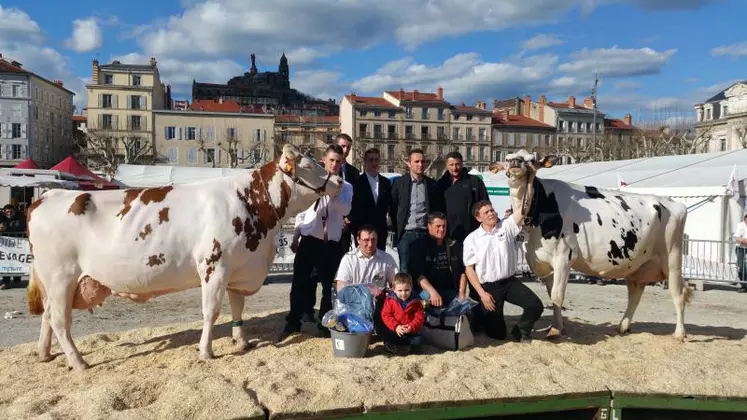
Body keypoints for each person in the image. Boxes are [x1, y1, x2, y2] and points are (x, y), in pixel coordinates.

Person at [278, 144, 352, 342]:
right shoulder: (309, 183)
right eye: (331, 160)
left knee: (329, 286)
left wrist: (332, 192)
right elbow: (301, 212)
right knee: (299, 283)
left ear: (342, 162)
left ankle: (325, 323)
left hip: (331, 243)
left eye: (338, 161)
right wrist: (295, 235)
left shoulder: (346, 187)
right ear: (324, 161)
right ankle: (294, 320)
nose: (334, 164)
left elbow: (344, 210)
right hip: (309, 240)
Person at [463, 200, 544, 342]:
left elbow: (522, 211)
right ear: (478, 218)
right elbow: (469, 269)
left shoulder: (506, 226)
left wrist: (528, 184)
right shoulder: (471, 239)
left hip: (510, 282)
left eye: (492, 210)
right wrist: (482, 294)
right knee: (497, 334)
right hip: (489, 289)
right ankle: (481, 318)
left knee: (536, 306)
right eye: (486, 212)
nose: (491, 213)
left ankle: (520, 331)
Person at [390, 149, 446, 274]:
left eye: (423, 161)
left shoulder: (431, 185)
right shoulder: (399, 183)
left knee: (425, 269)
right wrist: (398, 228)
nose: (420, 165)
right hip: (406, 233)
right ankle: (406, 294)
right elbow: (393, 208)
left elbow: (437, 209)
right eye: (417, 162)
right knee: (405, 269)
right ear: (409, 163)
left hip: (425, 233)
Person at [408, 212, 467, 307]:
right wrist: (432, 292)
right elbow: (417, 275)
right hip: (426, 291)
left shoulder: (453, 245)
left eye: (444, 226)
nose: (442, 229)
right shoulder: (418, 246)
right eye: (438, 226)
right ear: (429, 226)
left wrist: (462, 294)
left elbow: (462, 272)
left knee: (466, 308)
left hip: (450, 291)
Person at [437, 151, 489, 243]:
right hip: (449, 235)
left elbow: (485, 205)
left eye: (457, 164)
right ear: (446, 165)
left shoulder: (475, 182)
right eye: (451, 165)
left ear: (462, 164)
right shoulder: (441, 184)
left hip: (473, 234)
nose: (454, 168)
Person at [350, 148, 391, 251]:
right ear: (365, 161)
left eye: (376, 160)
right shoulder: (357, 182)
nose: (374, 163)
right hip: (363, 233)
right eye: (371, 160)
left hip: (380, 233)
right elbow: (353, 209)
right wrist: (356, 232)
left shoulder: (385, 182)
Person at [334, 225, 398, 291]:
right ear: (358, 240)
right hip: (354, 299)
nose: (370, 244)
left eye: (373, 240)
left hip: (379, 299)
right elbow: (341, 287)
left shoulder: (386, 258)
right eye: (366, 240)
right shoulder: (349, 259)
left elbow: (397, 283)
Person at [379, 272, 425, 354]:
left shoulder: (416, 301)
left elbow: (419, 317)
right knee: (389, 338)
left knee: (418, 341)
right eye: (400, 290)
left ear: (411, 288)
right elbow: (386, 315)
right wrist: (396, 326)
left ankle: (406, 347)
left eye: (407, 290)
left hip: (410, 331)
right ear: (394, 289)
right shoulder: (390, 300)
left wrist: (411, 327)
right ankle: (397, 346)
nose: (403, 294)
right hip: (395, 330)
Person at [336, 133, 360, 256]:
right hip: (328, 224)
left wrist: (348, 218)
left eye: (348, 147)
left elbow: (356, 198)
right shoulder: (324, 170)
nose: (346, 150)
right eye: (343, 146)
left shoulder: (354, 172)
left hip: (347, 225)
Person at [0, 205, 26, 290]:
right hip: (5, 246)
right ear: (4, 212)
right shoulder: (2, 219)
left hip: (17, 245)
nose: (9, 213)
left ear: (14, 212)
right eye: (7, 212)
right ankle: (5, 281)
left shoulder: (20, 218)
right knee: (6, 262)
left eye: (11, 211)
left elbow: (21, 227)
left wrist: (7, 229)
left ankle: (17, 280)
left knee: (17, 261)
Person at [734, 213, 747, 293]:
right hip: (741, 248)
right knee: (741, 266)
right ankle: (744, 285)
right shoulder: (740, 226)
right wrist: (744, 240)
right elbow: (737, 238)